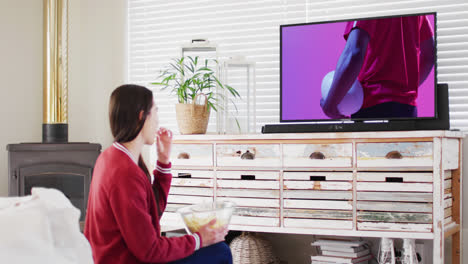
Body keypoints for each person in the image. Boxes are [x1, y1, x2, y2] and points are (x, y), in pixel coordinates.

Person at [84, 84, 232, 264]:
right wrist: (199, 239)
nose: (157, 121)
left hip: (123, 256)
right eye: (155, 112)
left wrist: (163, 161)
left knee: (215, 249)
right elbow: (150, 251)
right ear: (141, 116)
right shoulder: (124, 173)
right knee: (220, 252)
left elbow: (152, 213)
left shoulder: (111, 157)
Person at [321, 15, 435, 119]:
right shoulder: (415, 8)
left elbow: (354, 52)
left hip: (373, 107)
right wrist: (403, 91)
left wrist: (330, 105)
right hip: (407, 110)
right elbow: (429, 55)